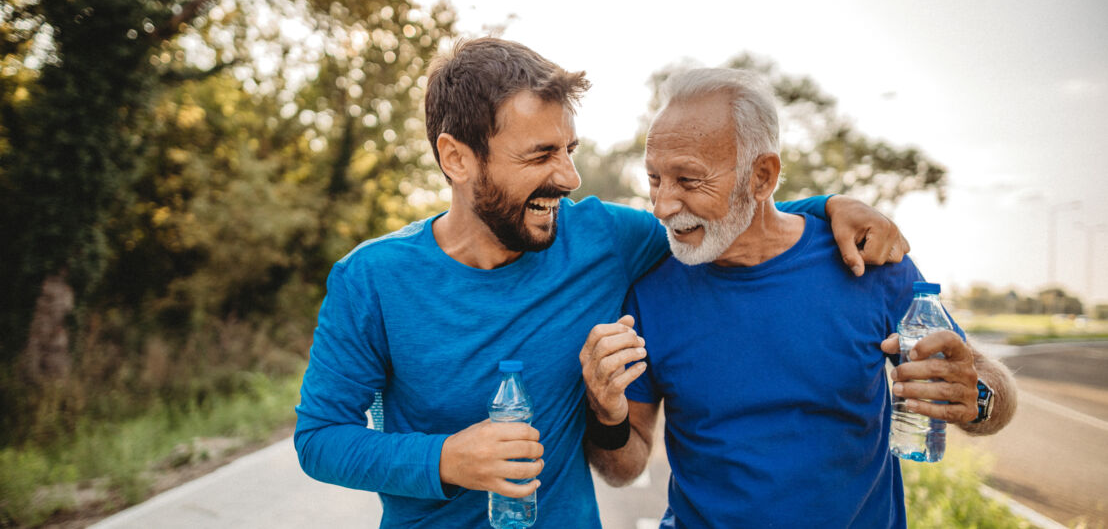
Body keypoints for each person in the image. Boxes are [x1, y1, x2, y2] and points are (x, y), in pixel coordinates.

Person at [294, 38, 911, 529]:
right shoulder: (370, 279)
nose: (569, 175)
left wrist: (829, 206)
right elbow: (320, 439)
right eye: (540, 155)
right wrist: (445, 459)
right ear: (457, 158)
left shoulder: (603, 240)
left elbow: (725, 214)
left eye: (569, 148)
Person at [580, 68, 1018, 528]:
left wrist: (977, 396)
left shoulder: (866, 260)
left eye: (689, 181)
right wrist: (606, 415)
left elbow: (988, 389)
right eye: (654, 179)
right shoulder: (651, 290)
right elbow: (624, 469)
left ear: (762, 176)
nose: (663, 205)